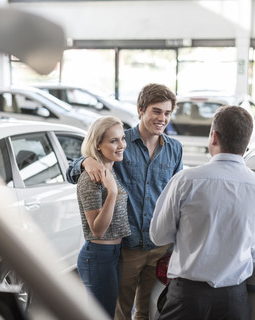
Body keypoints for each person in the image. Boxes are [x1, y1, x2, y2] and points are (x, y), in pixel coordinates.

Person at [67, 83, 183, 320]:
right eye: (156, 111)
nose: (162, 118)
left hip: (159, 246)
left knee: (147, 312)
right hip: (128, 248)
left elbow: (177, 196)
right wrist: (83, 162)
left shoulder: (175, 149)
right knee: (121, 311)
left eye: (167, 113)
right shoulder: (121, 142)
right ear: (141, 110)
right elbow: (74, 171)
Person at [150, 105, 255, 320]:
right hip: (234, 300)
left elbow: (158, 235)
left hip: (186, 299)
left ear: (214, 136)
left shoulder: (186, 181)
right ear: (247, 142)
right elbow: (253, 243)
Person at [76, 115, 131, 318]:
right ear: (98, 145)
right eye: (113, 140)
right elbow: (97, 230)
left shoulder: (110, 170)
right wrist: (113, 193)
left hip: (114, 254)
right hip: (98, 256)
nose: (121, 145)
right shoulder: (91, 178)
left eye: (122, 139)